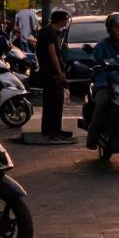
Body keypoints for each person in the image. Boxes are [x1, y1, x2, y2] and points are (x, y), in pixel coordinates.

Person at [85, 13, 119, 149]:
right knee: (102, 103)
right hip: (105, 83)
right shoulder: (102, 46)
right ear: (110, 29)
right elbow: (94, 60)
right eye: (117, 27)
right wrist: (97, 64)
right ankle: (93, 138)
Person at [36, 10, 71, 141]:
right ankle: (50, 131)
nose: (66, 22)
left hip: (52, 72)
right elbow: (53, 55)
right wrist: (59, 73)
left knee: (57, 102)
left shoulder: (53, 32)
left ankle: (56, 129)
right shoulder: (48, 32)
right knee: (52, 101)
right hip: (51, 73)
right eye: (66, 19)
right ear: (61, 19)